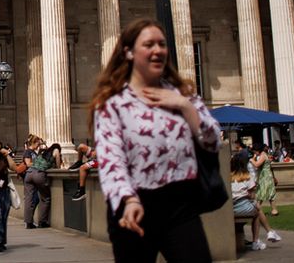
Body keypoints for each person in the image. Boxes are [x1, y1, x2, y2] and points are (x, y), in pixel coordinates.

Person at [91, 19, 221, 263]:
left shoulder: (182, 94)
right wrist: (128, 200)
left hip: (181, 203)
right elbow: (111, 161)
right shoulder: (112, 104)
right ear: (129, 52)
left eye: (162, 44)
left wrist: (185, 107)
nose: (157, 50)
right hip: (134, 204)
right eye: (149, 44)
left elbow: (213, 141)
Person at [231, 153, 282, 250]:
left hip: (231, 208)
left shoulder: (228, 178)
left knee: (256, 206)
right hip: (244, 208)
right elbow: (252, 196)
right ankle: (258, 239)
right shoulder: (247, 177)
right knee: (257, 210)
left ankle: (269, 232)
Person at [250, 143, 279, 216]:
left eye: (255, 151)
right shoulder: (263, 155)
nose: (254, 153)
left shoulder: (263, 155)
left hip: (265, 177)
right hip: (266, 176)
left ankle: (256, 209)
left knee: (261, 193)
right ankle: (274, 210)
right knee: (268, 193)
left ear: (257, 150)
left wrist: (251, 160)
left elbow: (257, 165)